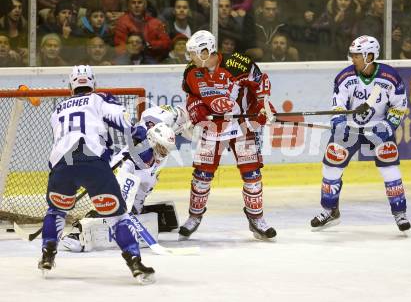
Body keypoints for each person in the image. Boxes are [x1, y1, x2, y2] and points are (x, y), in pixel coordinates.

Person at [38, 65, 155, 284]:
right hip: (93, 162)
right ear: (93, 83)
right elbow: (122, 118)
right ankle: (135, 263)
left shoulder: (58, 110)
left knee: (55, 210)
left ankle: (47, 254)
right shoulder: (99, 99)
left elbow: (59, 142)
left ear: (71, 85)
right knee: (118, 217)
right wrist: (138, 130)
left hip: (62, 167)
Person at [179, 30, 277, 241]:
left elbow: (261, 84)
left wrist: (262, 106)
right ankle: (194, 217)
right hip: (213, 127)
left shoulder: (238, 64)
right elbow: (192, 97)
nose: (191, 58)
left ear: (206, 51)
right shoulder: (190, 72)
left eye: (194, 53)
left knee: (252, 175)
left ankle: (256, 218)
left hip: (241, 125)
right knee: (202, 176)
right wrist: (197, 110)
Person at [310, 35, 411, 232]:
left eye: (357, 55)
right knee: (331, 166)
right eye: (353, 55)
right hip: (350, 128)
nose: (353, 59)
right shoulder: (345, 77)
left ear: (370, 56)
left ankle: (400, 213)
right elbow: (338, 105)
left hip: (379, 128)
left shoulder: (390, 77)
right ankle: (330, 211)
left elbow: (399, 105)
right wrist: (339, 123)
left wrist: (389, 126)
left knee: (390, 169)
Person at [60, 104, 193, 253]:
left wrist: (134, 208)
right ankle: (79, 233)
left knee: (133, 208)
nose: (164, 153)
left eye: (166, 150)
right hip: (121, 171)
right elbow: (148, 118)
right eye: (162, 149)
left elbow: (145, 185)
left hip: (143, 171)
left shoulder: (161, 150)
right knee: (112, 207)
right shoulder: (139, 154)